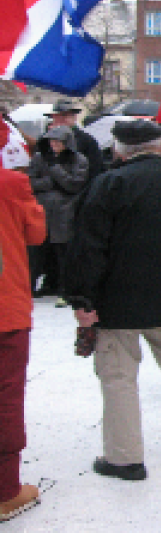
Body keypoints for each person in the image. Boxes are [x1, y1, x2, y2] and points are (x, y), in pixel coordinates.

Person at [63, 120, 161, 481]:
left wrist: (82, 298)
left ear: (119, 149)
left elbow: (88, 248)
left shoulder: (109, 185)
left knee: (118, 378)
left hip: (119, 299)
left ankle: (124, 457)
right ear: (160, 147)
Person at [0, 157, 47, 521]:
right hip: (5, 309)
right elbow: (36, 234)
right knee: (6, 396)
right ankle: (5, 492)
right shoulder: (11, 183)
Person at [26, 126, 88, 298]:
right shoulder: (39, 157)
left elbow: (74, 184)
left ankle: (65, 288)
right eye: (51, 141)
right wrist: (49, 182)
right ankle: (30, 286)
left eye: (58, 141)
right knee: (36, 252)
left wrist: (55, 169)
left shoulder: (79, 159)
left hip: (65, 211)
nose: (54, 145)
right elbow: (29, 182)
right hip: (41, 210)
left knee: (63, 253)